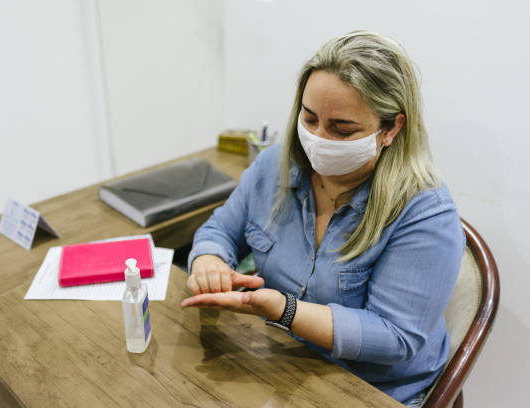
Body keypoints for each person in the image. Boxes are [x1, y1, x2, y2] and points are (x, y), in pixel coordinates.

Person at [180, 30, 465, 407]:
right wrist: (208, 261)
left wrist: (284, 310)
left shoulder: (425, 213)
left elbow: (396, 337)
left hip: (370, 388)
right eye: (309, 118)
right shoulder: (273, 166)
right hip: (283, 362)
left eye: (342, 129)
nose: (318, 138)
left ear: (391, 128)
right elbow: (219, 230)